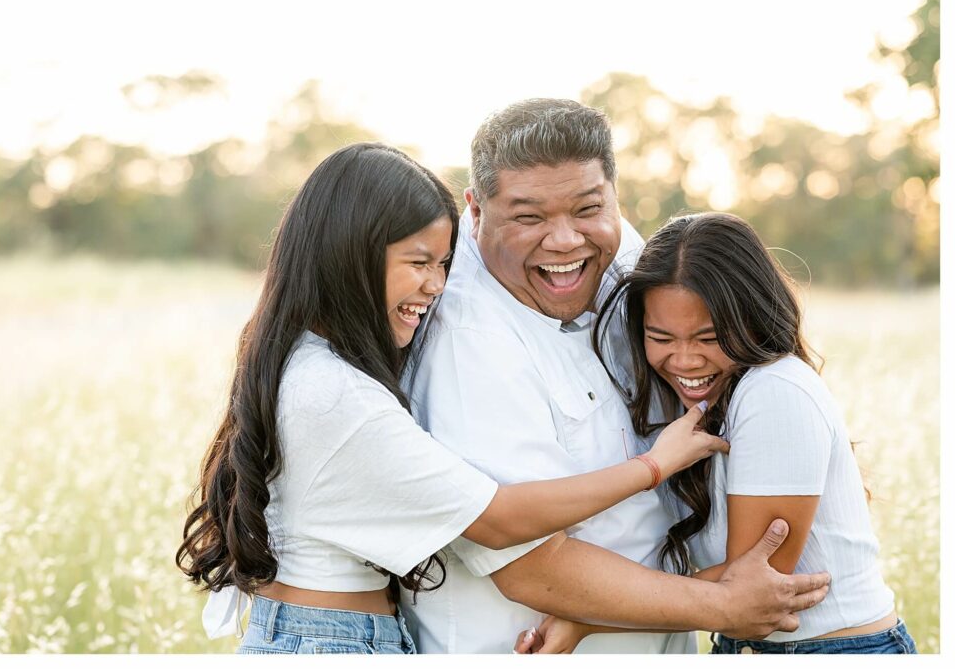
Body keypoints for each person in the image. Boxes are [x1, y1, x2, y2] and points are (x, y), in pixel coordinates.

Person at [175, 142, 732, 654]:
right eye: (419, 263)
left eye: (444, 264)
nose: (437, 285)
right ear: (351, 255)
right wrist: (656, 464)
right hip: (331, 641)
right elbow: (498, 519)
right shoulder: (332, 394)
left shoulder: (311, 359)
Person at [398, 99, 831, 654]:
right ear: (475, 211)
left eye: (587, 209)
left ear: (613, 196)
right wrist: (721, 605)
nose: (564, 241)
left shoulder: (623, 253)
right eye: (529, 218)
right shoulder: (466, 341)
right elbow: (528, 566)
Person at [560, 211, 910, 654]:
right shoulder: (700, 406)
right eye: (661, 337)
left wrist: (588, 620)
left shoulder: (774, 390)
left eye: (708, 337)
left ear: (753, 318)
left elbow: (748, 585)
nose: (684, 360)